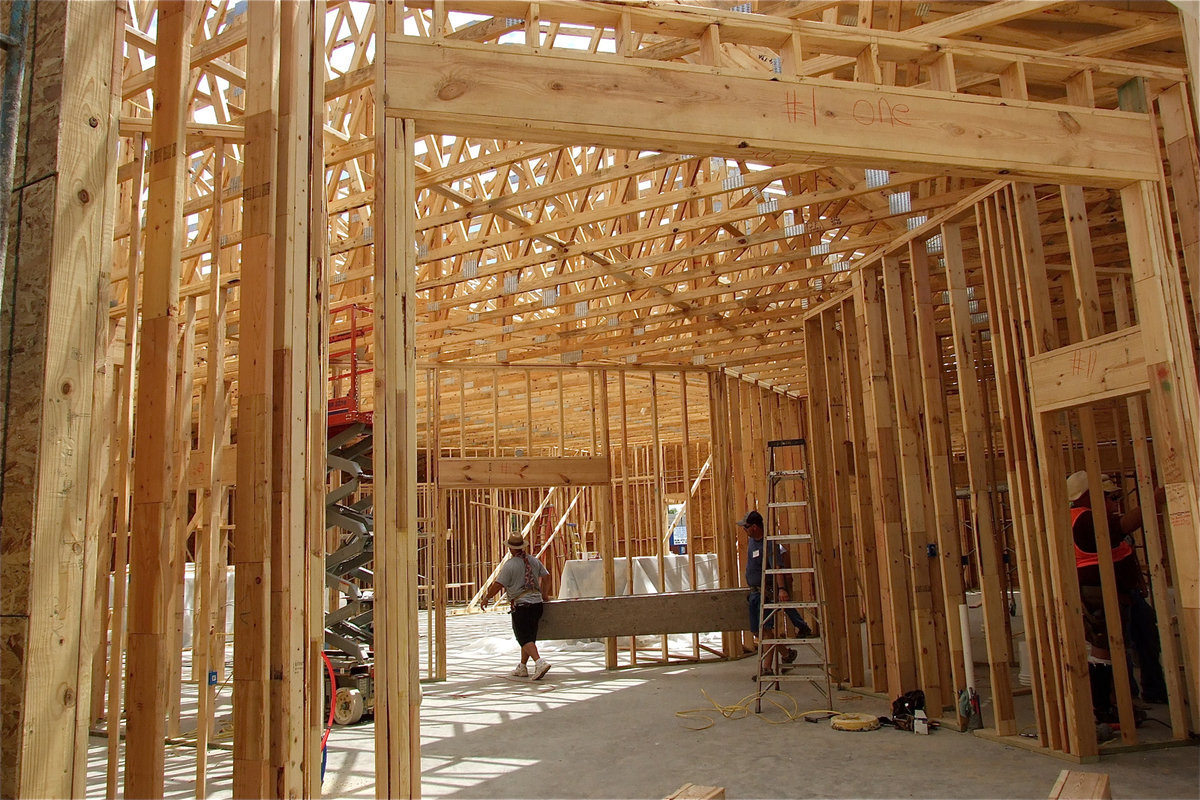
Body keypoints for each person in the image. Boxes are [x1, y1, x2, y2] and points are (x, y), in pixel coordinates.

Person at [1067, 470, 1168, 718]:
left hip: (1120, 590)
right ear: (1085, 496)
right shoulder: (1083, 519)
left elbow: (1119, 549)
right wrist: (1154, 501)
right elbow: (1124, 526)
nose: (1113, 502)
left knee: (1141, 636)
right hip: (1100, 593)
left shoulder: (1093, 517)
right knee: (1109, 647)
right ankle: (1109, 705)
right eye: (1107, 497)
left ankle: (1141, 693)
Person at [737, 510, 812, 678]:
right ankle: (786, 654)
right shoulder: (751, 542)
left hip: (766, 592)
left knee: (766, 630)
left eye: (746, 527)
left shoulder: (768, 544)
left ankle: (767, 668)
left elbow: (777, 567)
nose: (744, 530)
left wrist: (782, 589)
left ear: (755, 527)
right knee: (758, 632)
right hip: (755, 593)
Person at [481, 532, 553, 680]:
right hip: (537, 604)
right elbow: (546, 577)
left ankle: (539, 662)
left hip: (522, 605)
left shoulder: (510, 565)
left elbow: (498, 584)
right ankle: (522, 666)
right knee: (529, 636)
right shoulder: (533, 561)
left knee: (522, 637)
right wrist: (544, 594)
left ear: (511, 549)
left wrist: (487, 597)